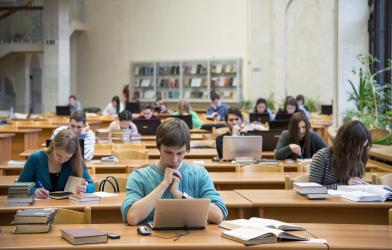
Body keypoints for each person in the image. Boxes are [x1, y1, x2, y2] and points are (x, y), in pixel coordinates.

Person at [121, 118, 227, 225]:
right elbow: (132, 217)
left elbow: (218, 216)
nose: (174, 160)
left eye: (180, 153)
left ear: (187, 149)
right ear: (158, 147)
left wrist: (179, 195)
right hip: (151, 240)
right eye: (168, 152)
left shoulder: (200, 174)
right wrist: (164, 184)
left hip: (192, 240)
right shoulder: (139, 176)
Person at [18, 129, 95, 199]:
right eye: (58, 155)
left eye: (67, 157)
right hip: (39, 208)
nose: (62, 160)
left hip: (68, 207)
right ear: (53, 145)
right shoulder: (36, 158)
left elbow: (92, 185)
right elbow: (20, 186)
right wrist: (34, 191)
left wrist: (86, 188)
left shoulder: (76, 160)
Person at [309, 120, 372, 189]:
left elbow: (352, 186)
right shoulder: (322, 157)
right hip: (326, 199)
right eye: (358, 147)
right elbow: (313, 188)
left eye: (364, 147)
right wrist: (345, 184)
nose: (360, 152)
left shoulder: (358, 157)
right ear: (345, 143)